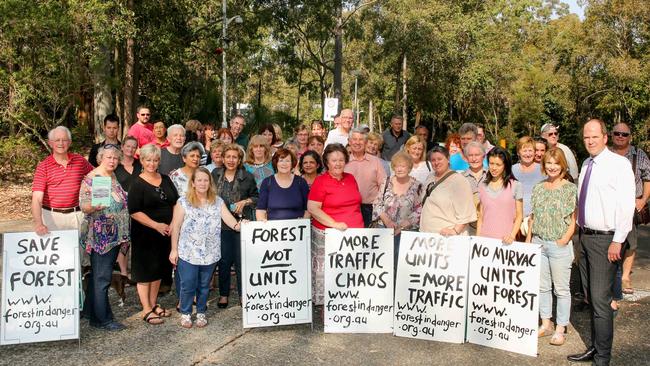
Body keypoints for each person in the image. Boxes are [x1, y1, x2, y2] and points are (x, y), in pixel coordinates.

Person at [567, 119, 635, 365]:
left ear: (605, 137)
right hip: (585, 238)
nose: (590, 141)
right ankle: (595, 349)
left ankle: (603, 358)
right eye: (586, 137)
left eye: (594, 136)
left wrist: (618, 241)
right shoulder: (586, 164)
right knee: (590, 297)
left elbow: (627, 206)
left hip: (606, 240)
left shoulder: (619, 164)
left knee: (601, 301)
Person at [169, 167, 243, 328]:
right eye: (199, 180)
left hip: (210, 252)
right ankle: (186, 313)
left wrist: (241, 226)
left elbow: (231, 221)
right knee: (188, 284)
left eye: (205, 180)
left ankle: (201, 312)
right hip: (187, 252)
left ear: (210, 183)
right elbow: (176, 227)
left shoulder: (217, 201)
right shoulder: (183, 202)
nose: (202, 183)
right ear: (193, 183)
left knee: (204, 285)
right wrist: (174, 250)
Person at [526, 147, 577, 346]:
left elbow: (574, 220)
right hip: (539, 242)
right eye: (549, 163)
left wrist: (564, 239)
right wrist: (530, 240)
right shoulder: (539, 188)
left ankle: (561, 328)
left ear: (562, 165)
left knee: (562, 289)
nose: (552, 167)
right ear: (544, 165)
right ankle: (546, 323)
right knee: (542, 287)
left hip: (559, 245)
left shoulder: (569, 188)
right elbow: (533, 217)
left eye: (556, 163)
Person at [79, 145, 130, 331]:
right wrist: (94, 206)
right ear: (100, 158)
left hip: (114, 235)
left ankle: (90, 312)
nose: (112, 161)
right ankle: (103, 319)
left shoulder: (111, 175)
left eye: (116, 158)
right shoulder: (93, 178)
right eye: (108, 157)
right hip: (102, 237)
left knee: (96, 276)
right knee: (102, 278)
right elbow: (84, 206)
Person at [128, 144, 179, 325]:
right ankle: (146, 309)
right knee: (145, 271)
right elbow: (134, 211)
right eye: (148, 160)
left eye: (155, 160)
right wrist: (155, 225)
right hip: (145, 234)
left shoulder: (165, 178)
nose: (152, 163)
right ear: (142, 161)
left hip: (165, 233)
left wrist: (173, 224)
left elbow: (175, 203)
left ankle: (153, 303)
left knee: (158, 269)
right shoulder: (137, 183)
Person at [307, 143, 364, 305]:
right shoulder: (321, 181)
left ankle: (348, 305)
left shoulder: (351, 178)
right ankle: (328, 307)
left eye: (341, 159)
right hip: (328, 236)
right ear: (326, 162)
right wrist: (334, 224)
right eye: (334, 160)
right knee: (329, 274)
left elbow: (355, 203)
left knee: (350, 273)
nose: (338, 163)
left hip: (354, 237)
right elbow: (312, 208)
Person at [211, 144, 258, 308]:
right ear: (223, 158)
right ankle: (223, 295)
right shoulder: (215, 175)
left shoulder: (247, 176)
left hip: (241, 224)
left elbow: (256, 197)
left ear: (239, 160)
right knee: (223, 261)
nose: (231, 160)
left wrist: (245, 201)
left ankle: (243, 295)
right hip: (220, 225)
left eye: (235, 157)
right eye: (228, 157)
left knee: (241, 262)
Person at [609, 122, 650, 298]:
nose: (620, 136)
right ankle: (610, 276)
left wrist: (643, 200)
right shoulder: (606, 153)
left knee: (630, 242)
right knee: (609, 240)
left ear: (629, 137)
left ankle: (625, 277)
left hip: (631, 206)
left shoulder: (638, 154)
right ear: (611, 135)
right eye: (617, 133)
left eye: (624, 134)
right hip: (609, 206)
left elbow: (648, 179)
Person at [32, 126, 93, 236]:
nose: (61, 143)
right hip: (51, 218)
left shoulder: (79, 161)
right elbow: (37, 198)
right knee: (53, 253)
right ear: (50, 143)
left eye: (64, 140)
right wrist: (38, 223)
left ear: (69, 142)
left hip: (76, 216)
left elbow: (99, 176)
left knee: (78, 252)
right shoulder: (43, 166)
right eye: (57, 140)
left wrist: (100, 200)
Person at [372, 151, 422, 267]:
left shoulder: (417, 186)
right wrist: (387, 221)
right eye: (396, 166)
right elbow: (377, 203)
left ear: (409, 168)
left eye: (403, 166)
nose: (399, 169)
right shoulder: (387, 181)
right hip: (384, 230)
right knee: (383, 265)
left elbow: (420, 210)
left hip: (407, 232)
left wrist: (404, 225)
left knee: (402, 266)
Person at [420, 145, 476, 235]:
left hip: (447, 238)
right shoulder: (430, 177)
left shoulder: (459, 181)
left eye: (439, 159)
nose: (436, 162)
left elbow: (466, 212)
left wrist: (455, 231)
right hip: (427, 237)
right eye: (433, 160)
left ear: (448, 159)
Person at [476, 147, 523, 244]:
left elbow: (519, 215)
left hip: (505, 242)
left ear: (505, 165)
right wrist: (477, 239)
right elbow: (481, 216)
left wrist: (512, 235)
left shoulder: (516, 185)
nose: (493, 168)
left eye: (498, 164)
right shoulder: (482, 186)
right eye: (491, 163)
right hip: (484, 241)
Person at [344, 128, 387, 227]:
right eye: (354, 139)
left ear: (366, 142)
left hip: (371, 208)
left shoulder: (376, 161)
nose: (357, 142)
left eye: (361, 140)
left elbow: (384, 185)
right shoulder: (343, 161)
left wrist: (379, 206)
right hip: (348, 208)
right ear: (349, 142)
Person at [256, 148, 310, 220]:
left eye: (287, 161)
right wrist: (263, 224)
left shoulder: (301, 182)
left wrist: (303, 222)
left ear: (292, 163)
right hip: (273, 229)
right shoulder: (267, 182)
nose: (284, 164)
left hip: (297, 228)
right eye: (281, 160)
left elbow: (308, 209)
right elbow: (261, 209)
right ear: (276, 163)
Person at [512, 136, 546, 222]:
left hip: (537, 218)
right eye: (524, 151)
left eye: (530, 150)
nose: (528, 154)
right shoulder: (512, 170)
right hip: (515, 218)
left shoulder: (543, 170)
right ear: (518, 153)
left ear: (534, 152)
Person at [461, 141, 487, 234]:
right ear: (466, 158)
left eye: (477, 155)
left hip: (489, 225)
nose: (474, 158)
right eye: (471, 155)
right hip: (467, 227)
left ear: (483, 156)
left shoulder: (492, 176)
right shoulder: (461, 178)